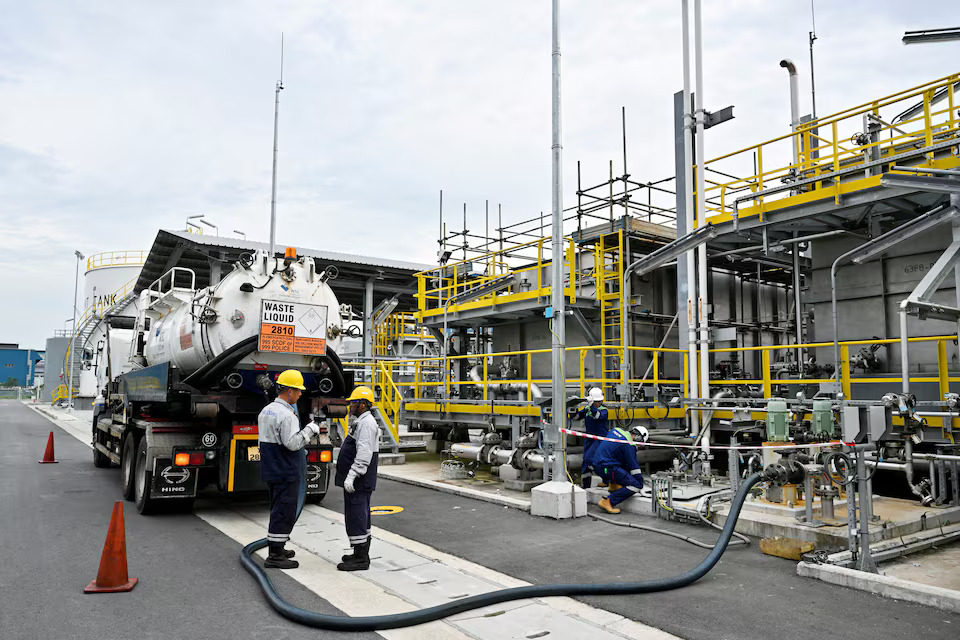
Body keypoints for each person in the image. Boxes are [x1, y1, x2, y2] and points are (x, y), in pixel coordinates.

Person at [257, 369, 321, 569]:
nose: (301, 394)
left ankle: (278, 546)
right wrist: (310, 429)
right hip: (286, 469)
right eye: (299, 391)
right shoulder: (287, 415)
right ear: (290, 391)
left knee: (277, 508)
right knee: (284, 511)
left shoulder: (266, 410)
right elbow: (292, 444)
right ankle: (275, 556)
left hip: (272, 468)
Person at [335, 385, 380, 571]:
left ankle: (361, 559)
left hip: (359, 480)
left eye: (353, 403)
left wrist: (352, 475)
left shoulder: (366, 424)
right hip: (358, 480)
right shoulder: (361, 421)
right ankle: (359, 553)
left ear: (363, 404)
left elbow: (364, 453)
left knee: (357, 515)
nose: (350, 406)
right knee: (357, 514)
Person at [591, 425, 649, 514]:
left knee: (619, 460)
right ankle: (608, 501)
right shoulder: (629, 444)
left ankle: (613, 486)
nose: (638, 446)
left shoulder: (616, 430)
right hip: (606, 467)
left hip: (597, 463)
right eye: (639, 444)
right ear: (638, 438)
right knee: (636, 485)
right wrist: (639, 482)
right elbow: (633, 467)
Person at [575, 387, 609, 489]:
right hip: (589, 438)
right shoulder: (587, 409)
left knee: (590, 459)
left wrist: (591, 406)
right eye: (596, 402)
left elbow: (597, 416)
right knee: (585, 462)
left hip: (600, 439)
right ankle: (585, 486)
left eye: (599, 402)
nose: (598, 404)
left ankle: (606, 480)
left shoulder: (604, 410)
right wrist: (574, 407)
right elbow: (576, 417)